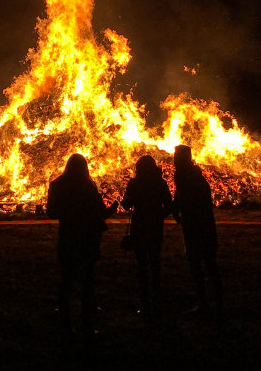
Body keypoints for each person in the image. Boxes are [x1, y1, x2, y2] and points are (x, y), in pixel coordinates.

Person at [46, 153, 118, 338]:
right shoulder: (87, 185)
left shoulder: (57, 184)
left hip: (68, 237)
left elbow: (51, 212)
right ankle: (87, 323)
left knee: (67, 279)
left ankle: (65, 320)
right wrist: (112, 209)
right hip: (87, 238)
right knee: (87, 280)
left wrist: (68, 213)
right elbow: (101, 211)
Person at [121, 155, 173, 325]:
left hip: (140, 226)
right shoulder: (160, 182)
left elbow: (126, 204)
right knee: (155, 261)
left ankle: (145, 302)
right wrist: (159, 216)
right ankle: (157, 298)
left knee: (142, 264)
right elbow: (169, 204)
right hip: (155, 226)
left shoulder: (135, 183)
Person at [172, 144, 223, 320]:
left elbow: (187, 198)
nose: (174, 159)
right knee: (206, 263)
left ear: (184, 158)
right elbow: (180, 196)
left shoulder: (187, 175)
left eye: (176, 156)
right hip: (199, 223)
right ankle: (213, 303)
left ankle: (209, 304)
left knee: (202, 263)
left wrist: (175, 210)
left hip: (198, 224)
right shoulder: (189, 174)